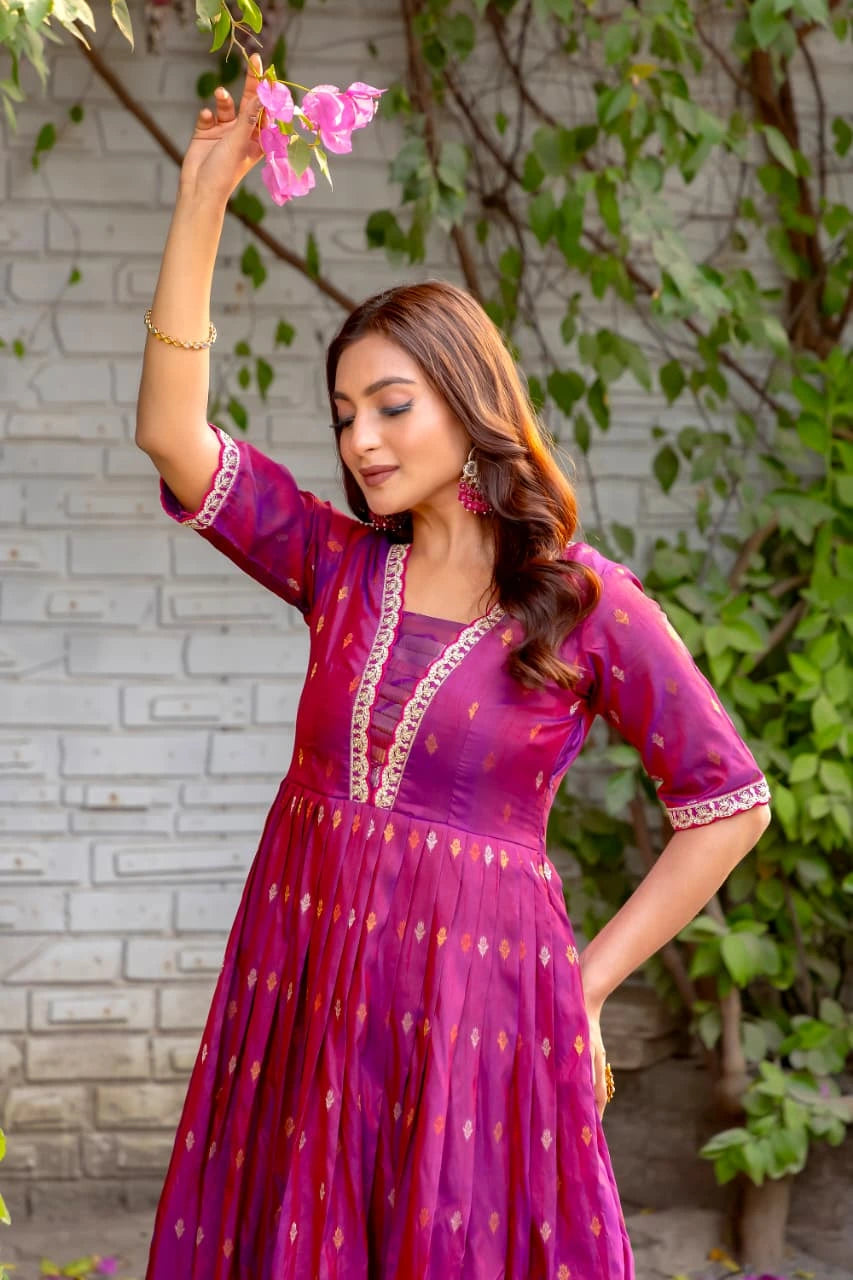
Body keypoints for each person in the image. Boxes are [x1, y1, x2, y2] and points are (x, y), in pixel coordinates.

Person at [137, 55, 771, 1280]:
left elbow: (726, 802)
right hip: (305, 980)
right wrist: (203, 201)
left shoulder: (582, 602)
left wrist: (583, 983)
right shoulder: (336, 568)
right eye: (342, 415)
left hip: (479, 1010)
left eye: (390, 406)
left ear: (467, 401)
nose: (359, 440)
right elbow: (175, 434)